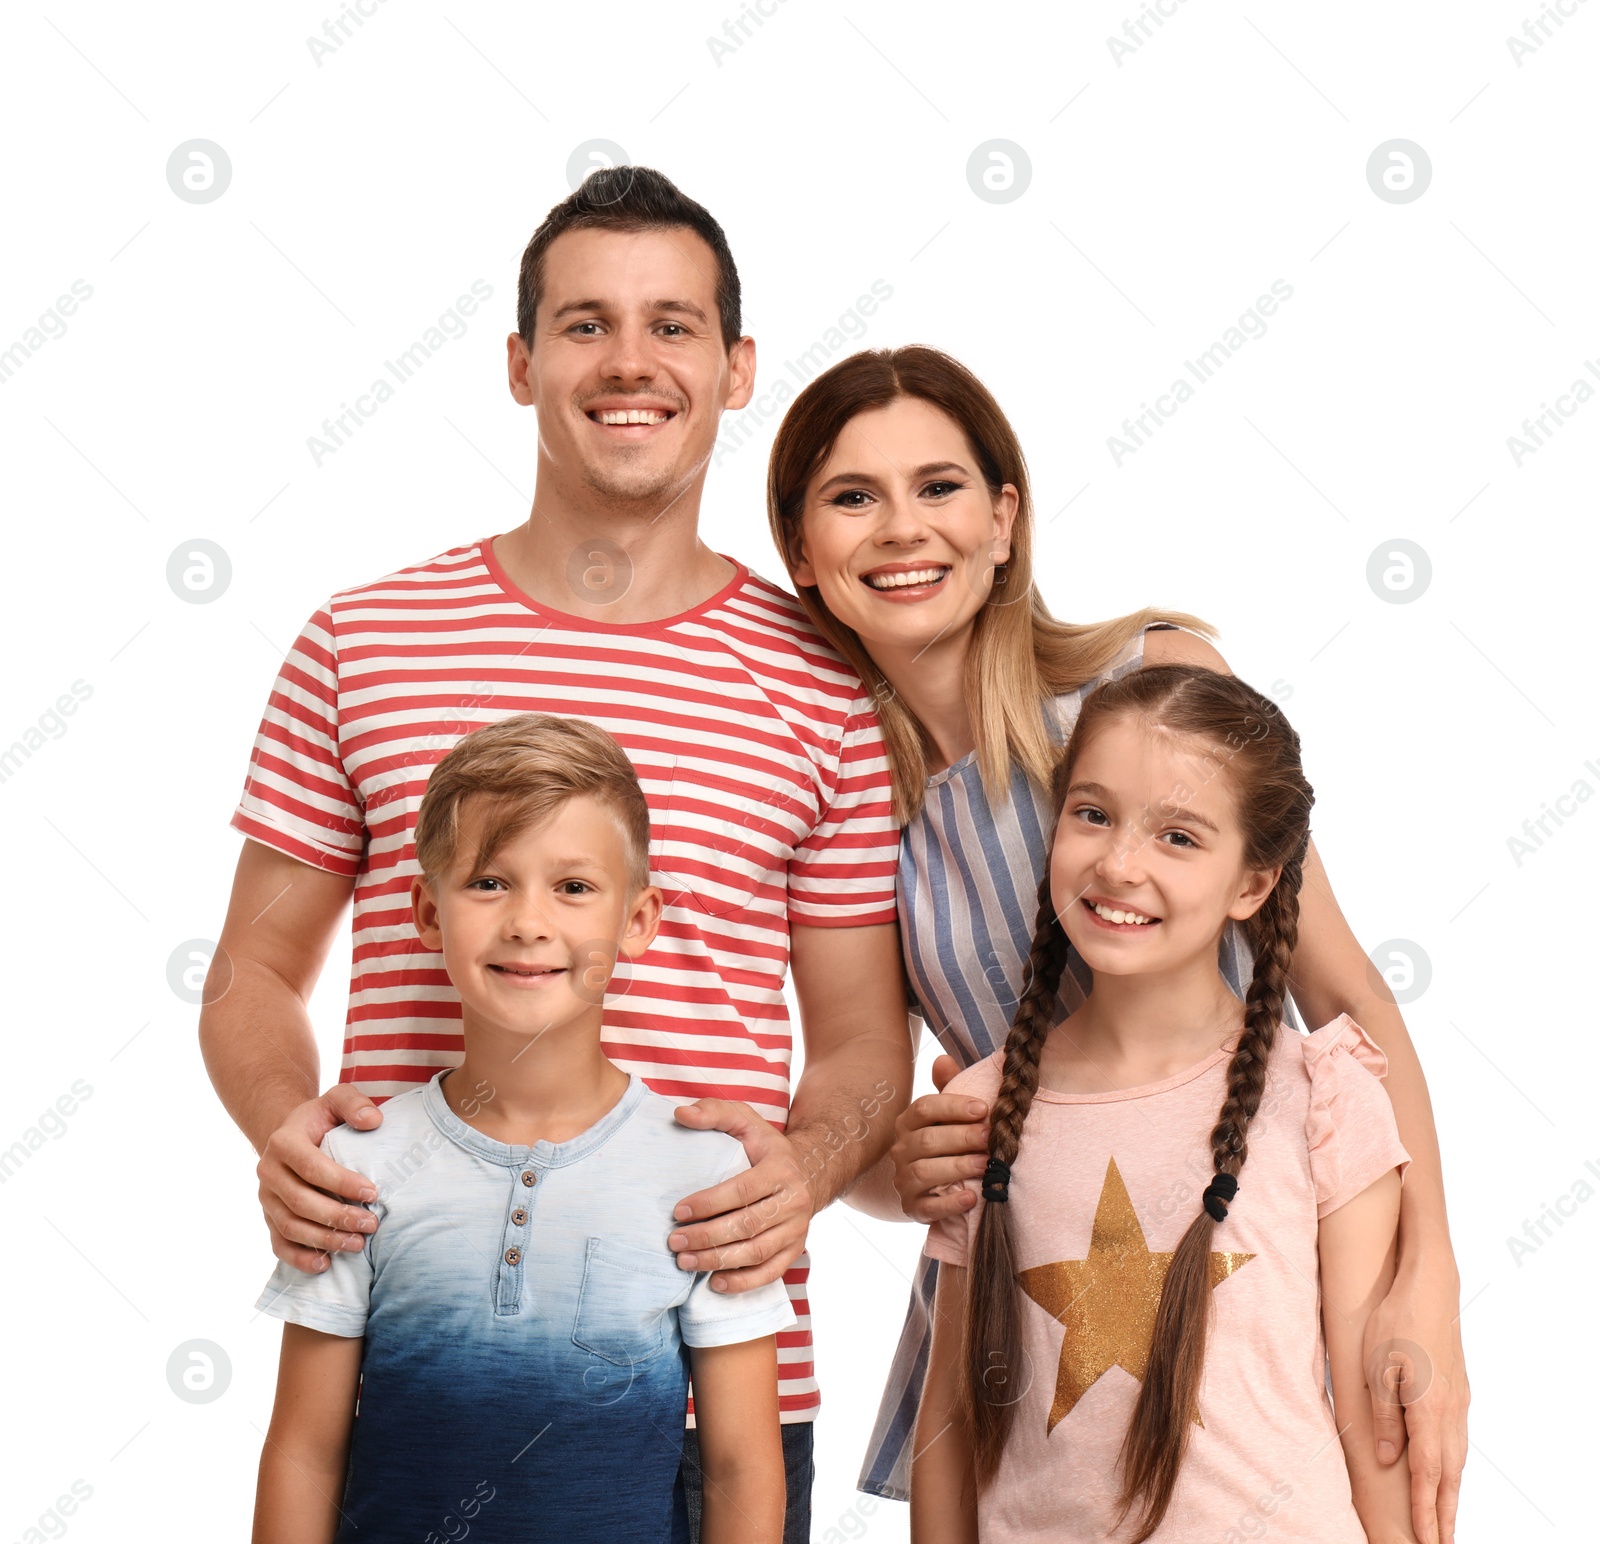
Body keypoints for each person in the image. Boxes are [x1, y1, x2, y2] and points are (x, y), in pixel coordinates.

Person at [202, 166, 912, 1544]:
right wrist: (291, 1134)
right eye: (585, 325)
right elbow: (248, 978)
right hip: (411, 1374)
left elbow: (864, 1049)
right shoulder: (364, 645)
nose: (630, 361)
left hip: (724, 1411)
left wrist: (804, 1176)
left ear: (737, 365)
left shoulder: (830, 689)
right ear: (522, 365)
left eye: (674, 325)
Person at [764, 347, 1467, 1542]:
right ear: (801, 551)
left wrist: (1427, 1276)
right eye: (851, 496)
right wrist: (906, 1168)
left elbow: (1344, 994)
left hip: (1253, 1264)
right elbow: (886, 1138)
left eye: (938, 487)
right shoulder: (847, 807)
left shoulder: (1152, 687)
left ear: (1003, 517)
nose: (899, 530)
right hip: (1042, 1314)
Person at [251, 714, 795, 1542]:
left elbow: (741, 1469)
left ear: (639, 920)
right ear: (428, 914)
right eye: (489, 883)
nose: (528, 923)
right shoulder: (356, 1166)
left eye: (573, 887)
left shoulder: (708, 1176)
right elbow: (304, 1451)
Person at [911, 665, 1415, 1543]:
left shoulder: (1323, 1096)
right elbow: (951, 1425)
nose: (1118, 864)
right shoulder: (988, 1106)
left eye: (1178, 837)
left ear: (1253, 885)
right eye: (1093, 814)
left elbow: (1374, 1423)